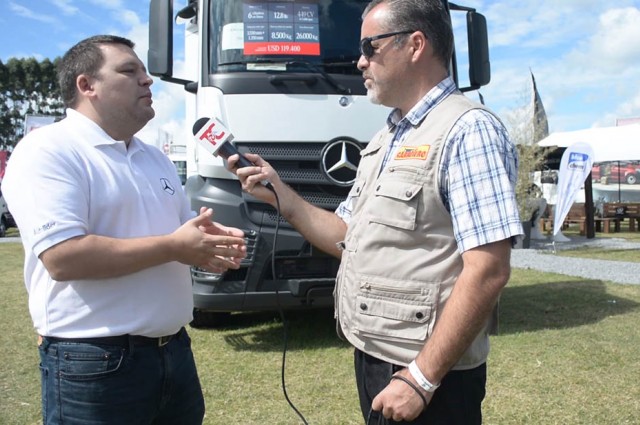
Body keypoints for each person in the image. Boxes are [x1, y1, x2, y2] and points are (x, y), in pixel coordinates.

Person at [227, 0, 523, 423]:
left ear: (416, 44)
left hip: (426, 374)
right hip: (378, 358)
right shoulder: (389, 135)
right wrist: (280, 194)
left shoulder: (468, 130)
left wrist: (421, 378)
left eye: (370, 46)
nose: (359, 61)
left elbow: (489, 268)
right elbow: (347, 234)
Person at [1, 35, 247, 425]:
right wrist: (174, 246)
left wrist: (208, 246)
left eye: (146, 72)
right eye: (129, 71)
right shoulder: (48, 150)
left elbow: (178, 239)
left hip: (174, 353)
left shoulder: (153, 157)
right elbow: (63, 257)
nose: (147, 81)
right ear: (87, 86)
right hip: (94, 364)